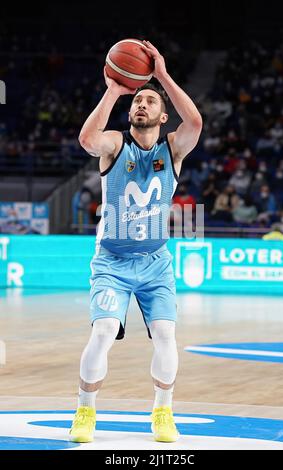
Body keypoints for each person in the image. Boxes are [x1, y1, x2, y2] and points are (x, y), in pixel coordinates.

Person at [69, 40, 203, 444]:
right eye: (138, 101)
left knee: (165, 334)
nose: (141, 105)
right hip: (111, 260)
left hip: (155, 263)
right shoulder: (115, 144)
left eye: (150, 101)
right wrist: (114, 89)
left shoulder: (173, 150)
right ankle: (84, 411)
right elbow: (87, 139)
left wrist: (160, 75)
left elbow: (194, 123)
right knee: (105, 330)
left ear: (163, 116)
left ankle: (163, 411)